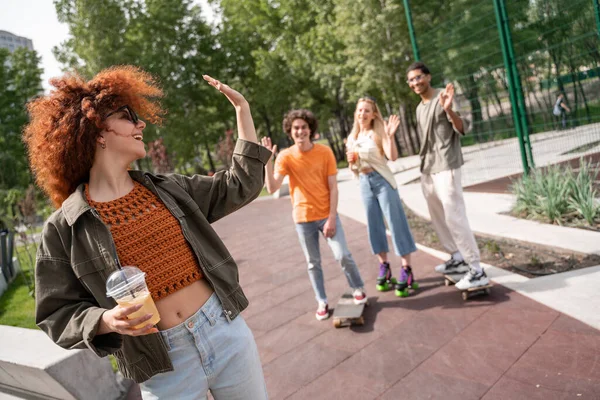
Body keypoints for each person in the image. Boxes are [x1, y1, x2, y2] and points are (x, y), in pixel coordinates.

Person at [24, 66, 270, 399]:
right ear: (97, 131)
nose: (141, 124)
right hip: (162, 363)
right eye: (127, 116)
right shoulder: (64, 227)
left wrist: (243, 110)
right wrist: (107, 320)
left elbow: (240, 184)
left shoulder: (169, 189)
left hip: (225, 332)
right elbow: (55, 312)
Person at [261, 109, 367, 320]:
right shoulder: (285, 156)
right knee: (313, 263)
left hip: (325, 214)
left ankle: (357, 287)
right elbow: (272, 187)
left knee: (342, 254)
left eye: (303, 127)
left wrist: (331, 218)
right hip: (302, 218)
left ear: (310, 130)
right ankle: (322, 300)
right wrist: (267, 161)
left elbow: (333, 188)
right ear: (290, 132)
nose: (300, 131)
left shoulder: (325, 152)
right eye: (296, 128)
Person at [406, 61, 489, 290]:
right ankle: (457, 257)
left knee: (455, 217)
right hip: (428, 168)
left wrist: (449, 109)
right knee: (438, 216)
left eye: (418, 77)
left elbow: (462, 128)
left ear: (428, 77)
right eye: (411, 80)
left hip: (447, 165)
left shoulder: (444, 96)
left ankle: (476, 269)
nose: (415, 82)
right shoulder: (419, 107)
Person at [346, 97, 418, 297]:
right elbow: (353, 167)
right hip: (364, 182)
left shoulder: (377, 133)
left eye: (367, 110)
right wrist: (350, 162)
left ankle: (406, 269)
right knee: (374, 225)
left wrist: (390, 137)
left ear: (374, 114)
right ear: (356, 113)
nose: (363, 114)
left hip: (383, 182)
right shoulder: (352, 137)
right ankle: (384, 266)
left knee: (396, 223)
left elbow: (392, 157)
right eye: (360, 110)